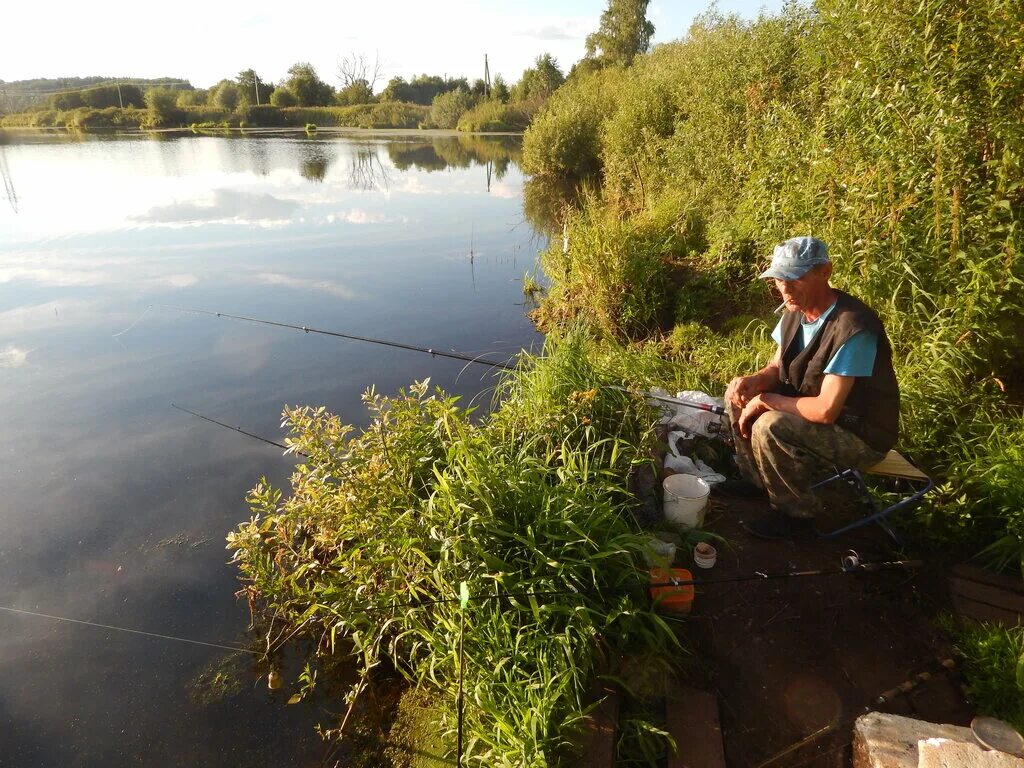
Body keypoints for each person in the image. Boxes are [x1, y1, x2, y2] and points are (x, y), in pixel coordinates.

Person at [725, 236, 900, 539]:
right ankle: (755, 479)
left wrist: (768, 400)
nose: (785, 287)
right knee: (737, 393)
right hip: (813, 413)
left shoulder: (853, 327)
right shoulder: (794, 311)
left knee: (771, 424)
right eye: (780, 278)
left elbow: (826, 410)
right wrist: (753, 383)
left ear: (825, 272)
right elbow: (777, 368)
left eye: (796, 277)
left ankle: (796, 516)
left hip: (860, 435)